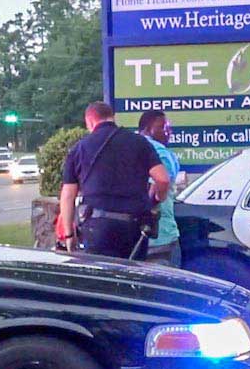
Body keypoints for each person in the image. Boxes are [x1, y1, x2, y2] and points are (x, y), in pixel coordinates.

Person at [57, 102, 170, 260]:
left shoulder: (79, 148)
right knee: (133, 278)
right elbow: (163, 179)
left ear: (89, 122)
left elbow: (68, 195)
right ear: (113, 117)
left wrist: (69, 234)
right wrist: (159, 198)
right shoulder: (139, 143)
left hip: (97, 226)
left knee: (103, 279)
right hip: (133, 226)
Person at [138, 110, 182, 267]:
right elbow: (158, 185)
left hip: (132, 235)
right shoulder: (159, 152)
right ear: (150, 129)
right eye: (164, 127)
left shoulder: (128, 149)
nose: (168, 132)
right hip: (161, 234)